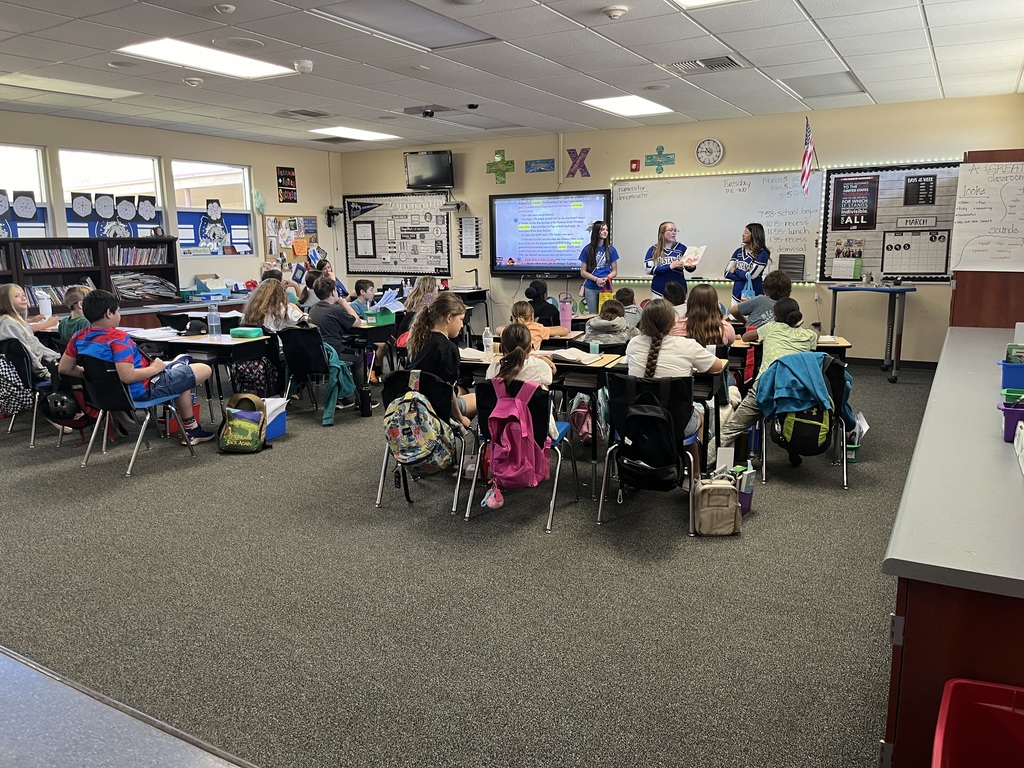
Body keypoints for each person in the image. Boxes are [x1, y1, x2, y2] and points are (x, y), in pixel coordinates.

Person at [57, 290, 215, 444]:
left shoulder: (79, 337)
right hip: (141, 390)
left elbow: (64, 368)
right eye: (118, 311)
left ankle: (192, 429)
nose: (119, 315)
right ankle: (192, 430)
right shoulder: (118, 338)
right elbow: (128, 376)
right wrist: (155, 369)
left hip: (105, 394)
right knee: (204, 369)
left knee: (181, 379)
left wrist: (97, 374)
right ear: (108, 313)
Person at [625, 299, 726, 470]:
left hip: (635, 421)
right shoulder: (688, 346)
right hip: (676, 424)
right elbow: (717, 366)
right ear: (673, 321)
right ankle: (693, 472)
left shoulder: (634, 343)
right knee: (699, 414)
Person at [720, 298, 820, 454]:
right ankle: (791, 450)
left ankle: (701, 465)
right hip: (794, 392)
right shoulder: (809, 335)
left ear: (775, 317)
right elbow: (816, 334)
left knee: (730, 430)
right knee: (789, 415)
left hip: (765, 387)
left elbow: (746, 337)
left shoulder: (771, 327)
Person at [307, 276, 379, 409]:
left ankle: (342, 396)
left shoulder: (313, 309)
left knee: (349, 351)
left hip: (317, 355)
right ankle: (362, 400)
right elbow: (356, 321)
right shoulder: (336, 310)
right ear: (334, 292)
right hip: (333, 354)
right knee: (359, 358)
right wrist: (344, 302)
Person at [406, 293, 475, 428]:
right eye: (461, 319)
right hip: (435, 407)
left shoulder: (419, 340)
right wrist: (460, 418)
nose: (462, 325)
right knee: (481, 398)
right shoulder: (449, 349)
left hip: (414, 401)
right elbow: (447, 391)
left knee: (463, 390)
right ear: (449, 318)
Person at [485, 322, 558, 438]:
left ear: (502, 347)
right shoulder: (540, 367)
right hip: (535, 431)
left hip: (501, 430)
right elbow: (549, 379)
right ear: (530, 347)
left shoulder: (493, 369)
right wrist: (537, 357)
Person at [0, 284, 60, 377]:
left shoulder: (18, 321)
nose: (23, 298)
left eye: (23, 295)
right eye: (16, 296)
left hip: (41, 364)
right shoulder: (8, 324)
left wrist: (57, 357)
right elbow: (27, 354)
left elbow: (37, 347)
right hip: (35, 371)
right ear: (6, 302)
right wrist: (44, 373)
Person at [645, 221, 695, 299]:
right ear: (662, 232)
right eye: (670, 230)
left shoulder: (681, 248)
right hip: (659, 289)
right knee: (659, 310)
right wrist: (670, 267)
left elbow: (689, 268)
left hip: (679, 289)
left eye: (675, 230)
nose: (674, 233)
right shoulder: (653, 250)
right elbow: (648, 269)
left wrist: (691, 266)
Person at [579, 220, 619, 314]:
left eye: (606, 229)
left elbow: (614, 271)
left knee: (606, 315)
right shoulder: (587, 249)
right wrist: (596, 279)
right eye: (602, 230)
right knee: (593, 316)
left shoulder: (611, 250)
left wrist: (606, 278)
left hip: (606, 287)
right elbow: (583, 272)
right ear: (596, 232)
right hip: (591, 287)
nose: (605, 232)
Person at [724, 223, 771, 302]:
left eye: (746, 233)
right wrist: (744, 276)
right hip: (736, 295)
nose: (743, 235)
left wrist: (736, 271)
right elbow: (726, 273)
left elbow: (751, 275)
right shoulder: (738, 251)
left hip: (754, 295)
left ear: (755, 235)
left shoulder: (762, 253)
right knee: (734, 313)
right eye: (743, 232)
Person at [502, 301, 569, 350]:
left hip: (514, 362)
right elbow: (565, 330)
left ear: (513, 318)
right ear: (532, 316)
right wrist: (546, 328)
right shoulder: (537, 329)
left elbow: (498, 329)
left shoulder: (509, 331)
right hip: (532, 360)